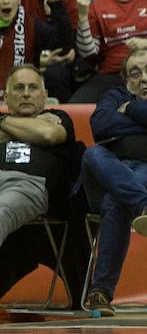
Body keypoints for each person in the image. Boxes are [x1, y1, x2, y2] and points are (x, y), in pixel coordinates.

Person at [81, 48, 147, 315]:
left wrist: (131, 108)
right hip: (109, 169)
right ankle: (146, 206)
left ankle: (100, 293)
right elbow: (101, 125)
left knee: (115, 202)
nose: (144, 78)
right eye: (135, 73)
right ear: (127, 81)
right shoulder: (114, 95)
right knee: (92, 152)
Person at [0, 66, 76, 248]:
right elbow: (39, 132)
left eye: (33, 87)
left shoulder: (58, 117)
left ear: (44, 95)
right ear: (5, 97)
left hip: (27, 185)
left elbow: (48, 134)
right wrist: (31, 127)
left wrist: (3, 123)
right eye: (19, 88)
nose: (26, 94)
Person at [18, 0, 79, 100]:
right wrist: (39, 61)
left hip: (62, 66)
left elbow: (69, 46)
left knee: (56, 75)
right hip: (23, 61)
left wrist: (56, 6)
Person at [0, 0, 72, 98]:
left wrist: (56, 4)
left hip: (24, 100)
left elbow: (63, 45)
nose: (6, 1)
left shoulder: (31, 25)